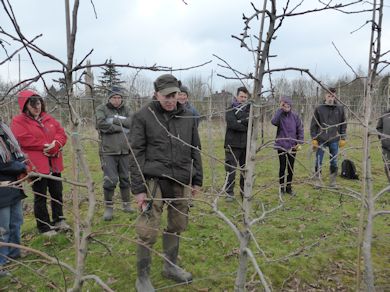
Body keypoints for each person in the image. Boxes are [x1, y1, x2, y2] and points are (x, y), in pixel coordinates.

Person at [129, 74, 202, 291]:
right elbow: (135, 154)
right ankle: (142, 276)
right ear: (156, 94)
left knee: (178, 224)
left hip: (180, 177)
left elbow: (195, 149)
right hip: (153, 180)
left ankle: (170, 266)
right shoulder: (143, 116)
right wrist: (139, 190)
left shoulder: (188, 116)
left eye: (174, 95)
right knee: (147, 229)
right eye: (166, 95)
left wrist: (197, 179)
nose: (171, 100)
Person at [11, 90, 69, 236]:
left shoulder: (48, 119)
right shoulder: (18, 121)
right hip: (36, 166)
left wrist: (56, 145)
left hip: (54, 163)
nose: (36, 107)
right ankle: (44, 226)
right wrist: (46, 145)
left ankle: (59, 220)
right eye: (32, 104)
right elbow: (23, 138)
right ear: (25, 106)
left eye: (38, 103)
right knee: (40, 196)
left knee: (57, 192)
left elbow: (61, 134)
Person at [95, 86, 134, 221]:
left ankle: (126, 204)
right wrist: (122, 128)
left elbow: (132, 122)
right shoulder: (102, 108)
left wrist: (113, 120)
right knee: (110, 180)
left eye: (119, 97)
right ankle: (108, 207)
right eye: (114, 97)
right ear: (109, 98)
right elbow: (101, 124)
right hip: (108, 151)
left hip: (125, 150)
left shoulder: (127, 109)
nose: (116, 100)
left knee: (125, 178)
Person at [0, 117, 27, 277]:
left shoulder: (4, 129)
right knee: (2, 227)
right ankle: (1, 263)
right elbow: (3, 164)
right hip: (2, 188)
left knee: (16, 221)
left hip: (14, 184)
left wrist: (23, 162)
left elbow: (15, 153)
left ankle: (14, 253)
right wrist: (22, 166)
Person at [310, 87, 347, 188]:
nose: (331, 98)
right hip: (321, 139)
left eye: (333, 96)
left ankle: (332, 181)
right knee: (318, 160)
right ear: (325, 96)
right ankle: (318, 181)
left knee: (334, 161)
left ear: (335, 96)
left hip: (334, 139)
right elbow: (313, 125)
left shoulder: (340, 108)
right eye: (329, 95)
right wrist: (314, 138)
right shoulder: (319, 108)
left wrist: (343, 137)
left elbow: (343, 123)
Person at [271, 96, 304, 196]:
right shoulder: (279, 115)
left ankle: (289, 188)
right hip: (281, 146)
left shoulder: (295, 116)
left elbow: (300, 128)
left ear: (291, 106)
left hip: (293, 146)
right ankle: (281, 189)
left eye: (288, 105)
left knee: (290, 167)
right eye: (284, 105)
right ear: (282, 105)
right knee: (282, 167)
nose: (287, 107)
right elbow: (273, 122)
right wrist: (279, 110)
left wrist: (300, 141)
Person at [223, 86, 250, 202]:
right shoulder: (230, 109)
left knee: (245, 170)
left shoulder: (250, 110)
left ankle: (244, 191)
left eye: (245, 97)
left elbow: (251, 122)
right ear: (236, 96)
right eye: (241, 96)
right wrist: (244, 124)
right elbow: (232, 124)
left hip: (245, 145)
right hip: (232, 144)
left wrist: (241, 121)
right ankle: (229, 192)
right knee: (231, 170)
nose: (243, 99)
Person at [376, 109, 390, 183]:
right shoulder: (384, 114)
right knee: (387, 166)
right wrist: (382, 138)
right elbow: (379, 127)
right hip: (386, 146)